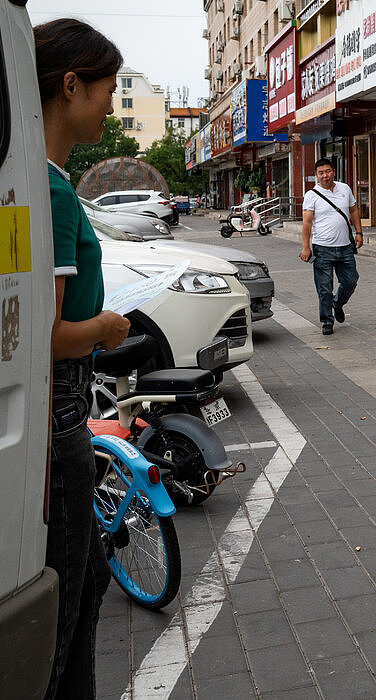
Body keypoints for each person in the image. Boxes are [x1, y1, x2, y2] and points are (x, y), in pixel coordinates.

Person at [35, 18, 131, 699]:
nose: (110, 103)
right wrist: (106, 326)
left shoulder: (46, 182)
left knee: (88, 578)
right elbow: (46, 335)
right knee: (64, 611)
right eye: (107, 89)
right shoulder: (53, 192)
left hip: (61, 408)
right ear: (71, 85)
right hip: (60, 407)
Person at [299, 158, 363, 336]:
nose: (325, 175)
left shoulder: (345, 188)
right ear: (316, 175)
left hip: (345, 247)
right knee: (324, 288)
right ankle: (327, 320)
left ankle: (338, 303)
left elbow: (354, 211)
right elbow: (307, 223)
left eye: (328, 171)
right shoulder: (311, 195)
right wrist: (306, 247)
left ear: (333, 171)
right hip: (322, 249)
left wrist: (359, 232)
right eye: (321, 173)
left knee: (351, 281)